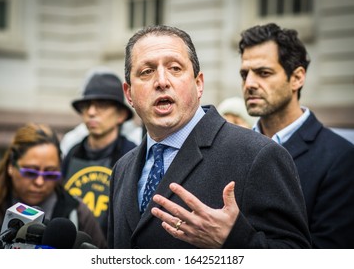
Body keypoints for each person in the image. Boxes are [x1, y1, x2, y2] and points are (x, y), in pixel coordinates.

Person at [107, 25, 311, 249]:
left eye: (175, 68)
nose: (162, 81)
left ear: (198, 84)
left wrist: (234, 241)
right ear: (129, 94)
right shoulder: (122, 169)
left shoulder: (258, 155)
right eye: (146, 72)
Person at [238, 23, 354, 248]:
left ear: (297, 78)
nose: (249, 84)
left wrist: (232, 239)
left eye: (264, 73)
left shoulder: (341, 159)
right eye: (245, 74)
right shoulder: (234, 146)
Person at [0, 123, 106, 248]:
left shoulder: (78, 213)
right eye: (30, 172)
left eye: (50, 174)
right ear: (11, 166)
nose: (39, 182)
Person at [62, 69, 137, 238]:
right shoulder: (73, 152)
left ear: (121, 115)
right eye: (86, 105)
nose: (91, 112)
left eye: (101, 105)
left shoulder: (131, 155)